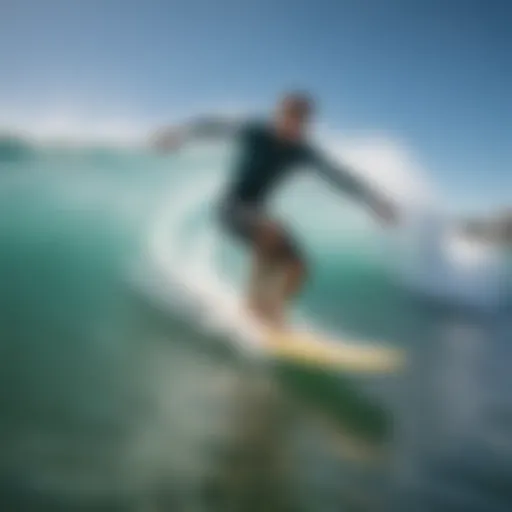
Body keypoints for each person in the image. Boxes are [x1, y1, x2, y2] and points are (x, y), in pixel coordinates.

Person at [216, 92, 397, 327]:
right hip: (231, 207)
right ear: (279, 114)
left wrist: (373, 200)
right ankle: (252, 306)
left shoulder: (300, 151)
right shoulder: (255, 132)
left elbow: (337, 175)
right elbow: (215, 127)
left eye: (302, 121)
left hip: (258, 215)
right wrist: (180, 134)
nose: (295, 125)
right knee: (271, 228)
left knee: (300, 267)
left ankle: (273, 312)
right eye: (291, 117)